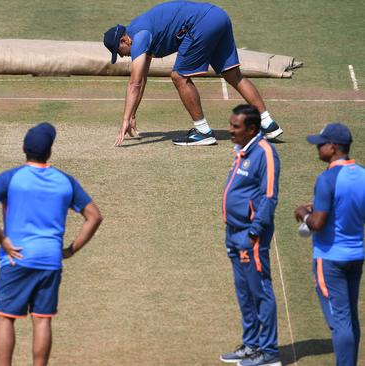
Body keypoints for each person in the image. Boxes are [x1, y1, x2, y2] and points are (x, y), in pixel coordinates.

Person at [0, 122, 103, 366]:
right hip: (50, 259)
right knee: (42, 319)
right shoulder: (65, 181)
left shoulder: (10, 178)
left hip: (17, 257)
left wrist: (3, 239)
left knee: (3, 317)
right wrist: (71, 249)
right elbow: (95, 216)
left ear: (24, 148)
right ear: (50, 152)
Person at [103, 1, 283, 147]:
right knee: (233, 75)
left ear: (124, 40)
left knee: (179, 76)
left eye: (120, 51)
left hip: (201, 24)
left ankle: (203, 131)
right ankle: (268, 124)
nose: (122, 56)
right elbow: (141, 79)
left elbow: (134, 83)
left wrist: (125, 119)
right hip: (218, 16)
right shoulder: (141, 32)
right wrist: (133, 113)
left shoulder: (139, 37)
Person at [294, 123, 365, 366]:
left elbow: (317, 223)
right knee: (350, 320)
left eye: (321, 144)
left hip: (330, 259)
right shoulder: (362, 175)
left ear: (333, 147)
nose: (318, 148)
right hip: (356, 256)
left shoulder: (326, 179)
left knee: (339, 322)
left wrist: (303, 213)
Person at [221, 105, 281, 366]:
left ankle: (269, 354)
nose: (230, 130)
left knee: (260, 291)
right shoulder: (242, 149)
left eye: (236, 127)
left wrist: (255, 231)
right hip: (233, 232)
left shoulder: (265, 153)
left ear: (252, 129)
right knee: (244, 291)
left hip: (251, 235)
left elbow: (269, 197)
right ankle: (251, 345)